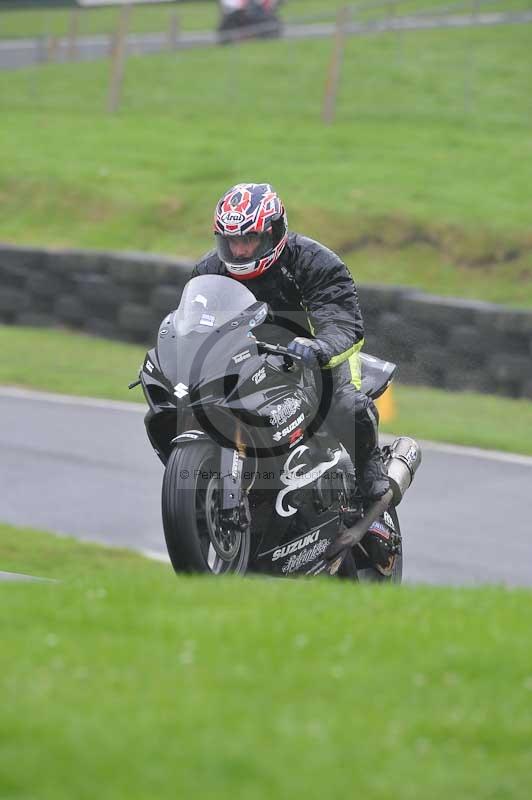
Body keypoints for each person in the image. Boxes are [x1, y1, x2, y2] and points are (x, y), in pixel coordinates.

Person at [191, 182, 390, 501]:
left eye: (249, 239)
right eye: (231, 241)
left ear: (274, 232)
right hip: (247, 361)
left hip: (316, 356)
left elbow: (342, 321)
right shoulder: (209, 271)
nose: (239, 251)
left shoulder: (313, 261)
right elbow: (193, 325)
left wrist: (320, 348)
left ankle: (370, 473)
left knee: (342, 403)